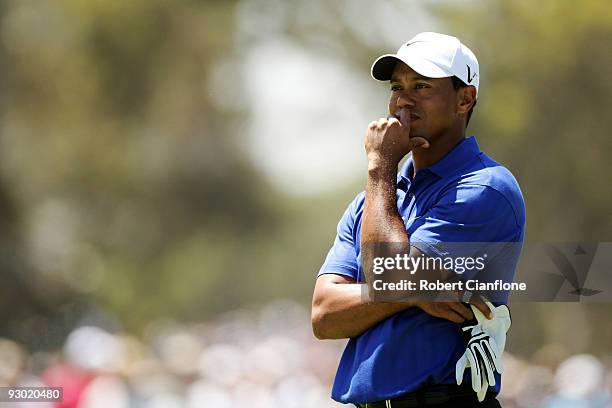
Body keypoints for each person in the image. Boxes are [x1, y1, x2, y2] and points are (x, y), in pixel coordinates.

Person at [311, 32, 526, 407]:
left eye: (422, 86)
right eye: (397, 87)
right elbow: (325, 314)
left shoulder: (487, 188)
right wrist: (415, 293)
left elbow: (386, 273)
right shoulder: (371, 203)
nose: (403, 100)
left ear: (465, 99)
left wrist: (380, 167)